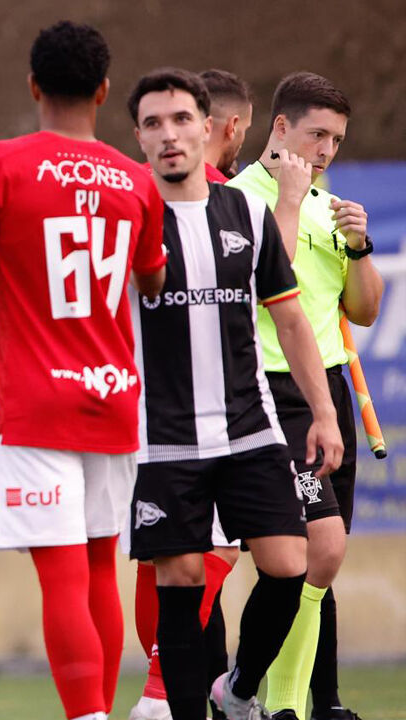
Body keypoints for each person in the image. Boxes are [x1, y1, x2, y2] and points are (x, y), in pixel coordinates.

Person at [0, 21, 167, 720]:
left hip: (35, 404)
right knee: (98, 569)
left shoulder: (3, 163)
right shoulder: (137, 181)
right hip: (113, 400)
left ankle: (86, 715)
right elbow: (153, 284)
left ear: (32, 85)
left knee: (59, 577)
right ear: (105, 91)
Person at [126, 67, 344, 720]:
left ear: (209, 128)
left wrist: (325, 413)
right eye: (153, 124)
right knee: (183, 581)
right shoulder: (130, 216)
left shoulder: (246, 211)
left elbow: (289, 317)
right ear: (138, 138)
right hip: (166, 437)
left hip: (250, 427)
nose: (169, 135)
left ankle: (241, 688)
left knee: (290, 562)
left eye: (181, 119)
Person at [227, 72, 384, 720]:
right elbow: (270, 283)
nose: (326, 149)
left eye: (338, 139)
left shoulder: (326, 202)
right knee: (313, 551)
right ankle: (269, 699)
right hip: (269, 387)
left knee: (325, 555)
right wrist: (290, 202)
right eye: (317, 133)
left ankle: (309, 702)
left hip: (327, 390)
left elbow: (365, 310)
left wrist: (360, 245)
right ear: (280, 126)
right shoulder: (239, 198)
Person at [129, 68, 258, 720]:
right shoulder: (219, 198)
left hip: (196, 412)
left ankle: (191, 691)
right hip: (188, 413)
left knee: (178, 564)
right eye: (160, 122)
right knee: (193, 558)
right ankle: (165, 691)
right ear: (227, 128)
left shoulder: (234, 198)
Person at [199, 70, 254, 179]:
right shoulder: (228, 194)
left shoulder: (159, 177)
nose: (241, 144)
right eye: (244, 129)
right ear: (232, 127)